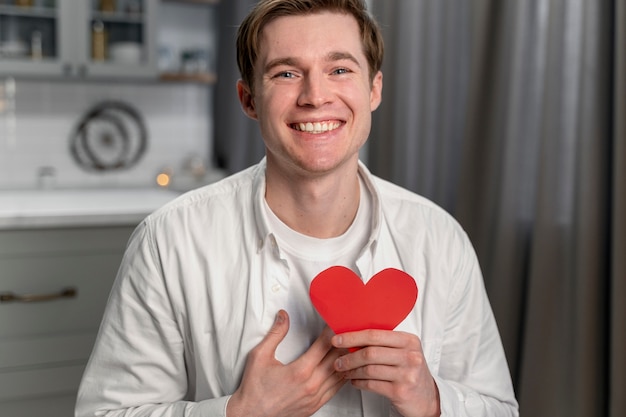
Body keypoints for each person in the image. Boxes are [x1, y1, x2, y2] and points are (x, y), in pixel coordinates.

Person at [75, 0, 519, 416]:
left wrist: (432, 399)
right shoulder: (169, 241)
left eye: (340, 69)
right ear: (249, 100)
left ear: (374, 90)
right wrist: (238, 412)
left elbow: (500, 408)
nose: (315, 96)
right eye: (286, 74)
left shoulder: (440, 239)